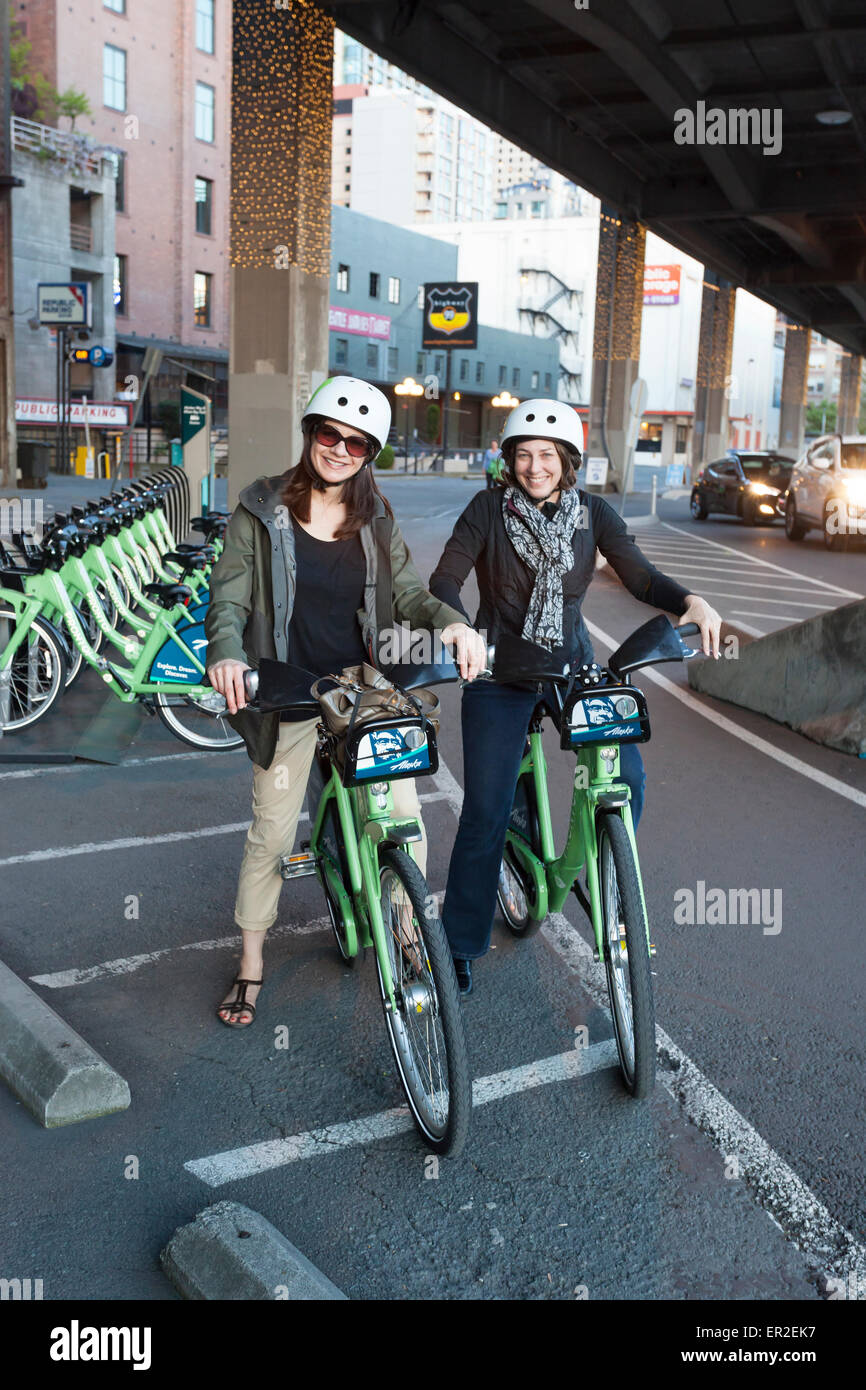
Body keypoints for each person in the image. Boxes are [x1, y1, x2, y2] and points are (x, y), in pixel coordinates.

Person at [205, 375, 486, 1026]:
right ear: (310, 433)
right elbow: (231, 598)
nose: (339, 449)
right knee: (272, 833)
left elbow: (412, 595)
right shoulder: (260, 509)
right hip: (285, 687)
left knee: (403, 816)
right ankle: (250, 963)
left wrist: (454, 623)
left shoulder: (376, 518)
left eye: (357, 443)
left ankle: (408, 929)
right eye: (329, 434)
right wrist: (227, 653)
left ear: (370, 454)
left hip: (362, 686)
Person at [429, 398, 722, 995]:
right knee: (484, 813)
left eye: (548, 456)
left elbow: (638, 574)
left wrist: (690, 600)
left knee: (628, 778)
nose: (535, 467)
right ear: (509, 460)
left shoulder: (593, 515)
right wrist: (457, 625)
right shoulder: (486, 510)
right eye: (524, 455)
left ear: (568, 461)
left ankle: (608, 872)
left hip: (571, 668)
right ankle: (459, 943)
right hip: (497, 672)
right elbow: (445, 577)